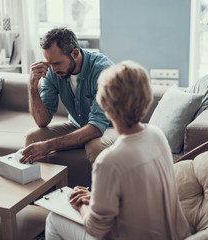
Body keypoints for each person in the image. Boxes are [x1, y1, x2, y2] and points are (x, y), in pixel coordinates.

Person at [45, 60, 191, 240]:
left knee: (54, 219)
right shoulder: (157, 135)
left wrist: (80, 205)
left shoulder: (109, 161)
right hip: (175, 235)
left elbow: (95, 229)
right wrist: (97, 198)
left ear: (104, 104)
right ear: (146, 98)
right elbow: (139, 193)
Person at [20, 28, 116, 165]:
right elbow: (42, 121)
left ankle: (96, 187)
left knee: (96, 147)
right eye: (50, 63)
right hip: (79, 125)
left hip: (112, 127)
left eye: (57, 63)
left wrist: (47, 146)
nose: (53, 70)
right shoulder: (53, 72)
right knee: (33, 137)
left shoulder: (103, 71)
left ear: (75, 53)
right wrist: (32, 86)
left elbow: (96, 127)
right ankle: (46, 186)